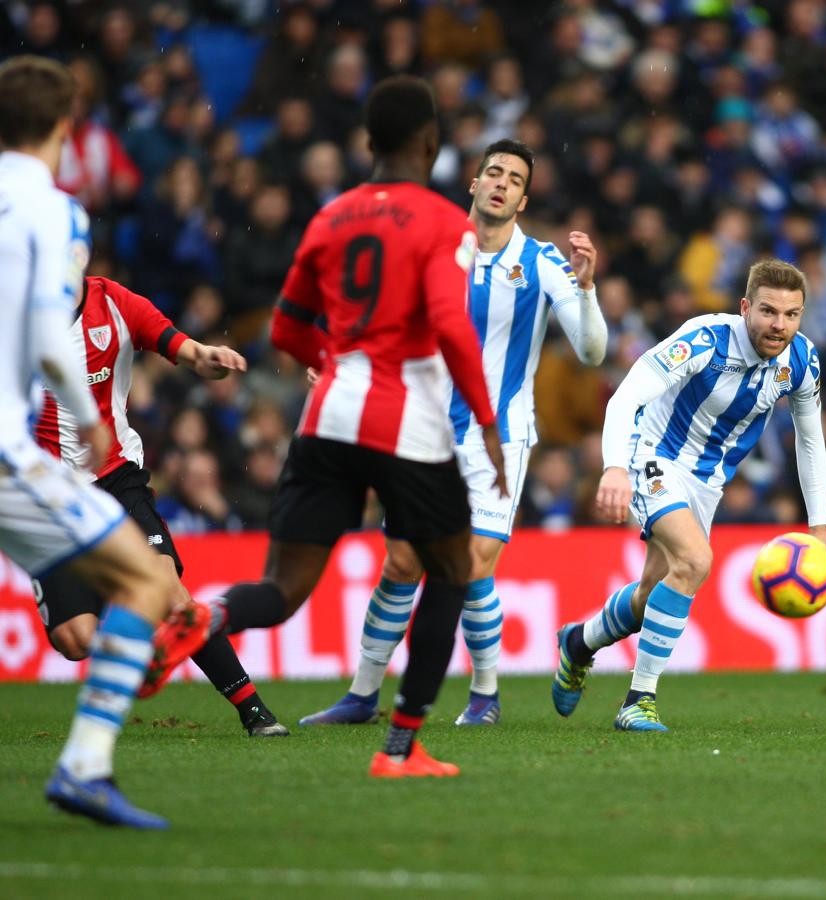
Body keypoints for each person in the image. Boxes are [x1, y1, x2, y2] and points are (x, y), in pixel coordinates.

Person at [149, 75, 506, 778]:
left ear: (368, 141)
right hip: (408, 423)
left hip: (328, 415)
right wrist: (487, 423)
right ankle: (400, 748)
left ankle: (209, 616)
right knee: (452, 570)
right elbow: (449, 325)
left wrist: (337, 365)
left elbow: (286, 328)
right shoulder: (445, 224)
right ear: (431, 141)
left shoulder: (330, 217)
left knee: (282, 591)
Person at [300, 139, 607, 728]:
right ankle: (362, 696)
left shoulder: (541, 261)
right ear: (474, 182)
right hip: (423, 429)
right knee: (401, 563)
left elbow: (592, 352)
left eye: (514, 179)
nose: (501, 183)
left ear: (523, 199)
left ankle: (484, 696)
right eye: (494, 172)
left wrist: (587, 290)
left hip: (500, 438)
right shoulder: (432, 247)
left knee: (470, 562)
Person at [0, 56, 178, 828]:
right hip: (11, 450)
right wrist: (89, 414)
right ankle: (83, 768)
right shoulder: (55, 211)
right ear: (65, 127)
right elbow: (49, 337)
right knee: (145, 583)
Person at [554, 259, 826, 732]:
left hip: (706, 483)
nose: (779, 325)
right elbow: (625, 396)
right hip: (651, 455)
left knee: (651, 593)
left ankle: (579, 642)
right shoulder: (705, 339)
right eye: (768, 311)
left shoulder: (802, 360)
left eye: (791, 315)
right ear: (745, 307)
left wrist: (819, 527)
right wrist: (615, 467)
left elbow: (810, 440)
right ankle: (638, 701)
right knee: (696, 561)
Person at [32, 275, 287, 738]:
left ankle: (254, 710)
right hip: (48, 495)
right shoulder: (17, 316)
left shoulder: (114, 302)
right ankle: (136, 645)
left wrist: (206, 357)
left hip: (116, 478)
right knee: (75, 640)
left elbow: (180, 346)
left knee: (172, 595)